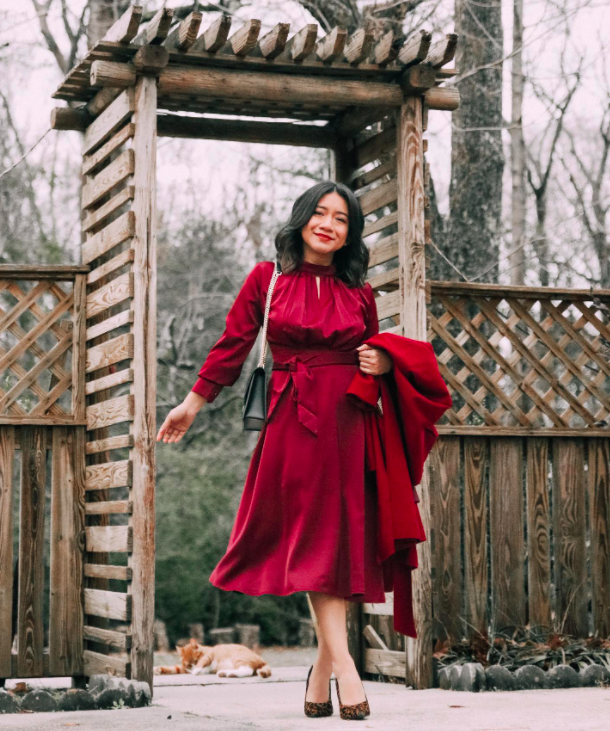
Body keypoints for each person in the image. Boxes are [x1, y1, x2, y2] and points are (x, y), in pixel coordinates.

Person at [157, 181, 398, 720]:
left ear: (350, 232)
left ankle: (320, 673)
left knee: (334, 542)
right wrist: (192, 405)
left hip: (350, 422)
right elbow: (232, 346)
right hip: (291, 420)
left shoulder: (361, 293)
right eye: (320, 213)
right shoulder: (267, 280)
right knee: (313, 540)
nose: (329, 224)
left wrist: (381, 364)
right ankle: (348, 671)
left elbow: (376, 351)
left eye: (341, 218)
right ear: (302, 218)